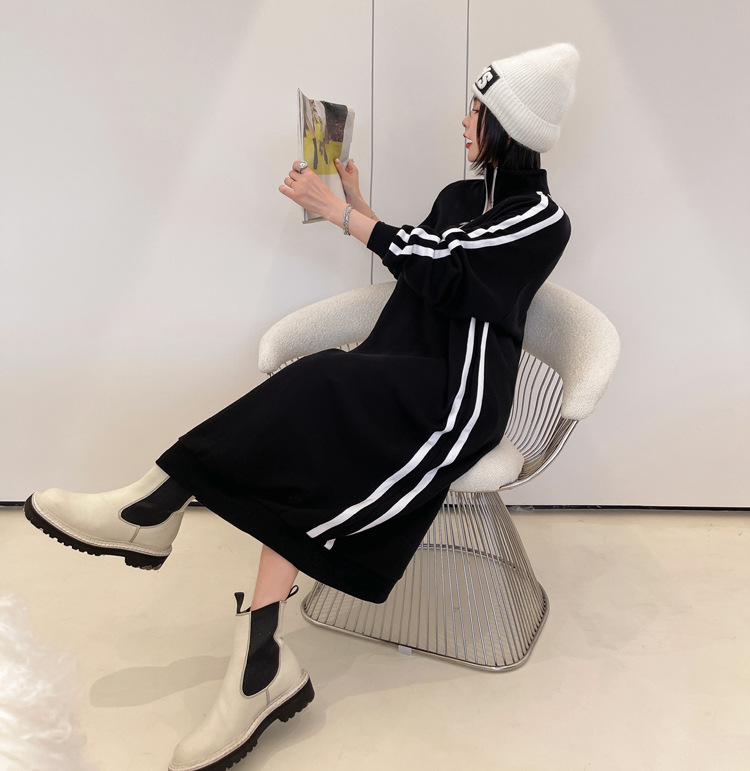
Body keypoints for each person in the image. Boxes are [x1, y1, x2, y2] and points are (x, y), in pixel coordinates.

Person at [24, 43, 579, 771]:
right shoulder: (459, 196)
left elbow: (452, 275)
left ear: (510, 123)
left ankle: (155, 508)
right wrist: (356, 202)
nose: (465, 120)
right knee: (311, 418)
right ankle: (251, 650)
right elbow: (424, 256)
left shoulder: (541, 218)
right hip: (405, 363)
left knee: (320, 384)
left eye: (478, 110)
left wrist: (344, 218)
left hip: (458, 396)